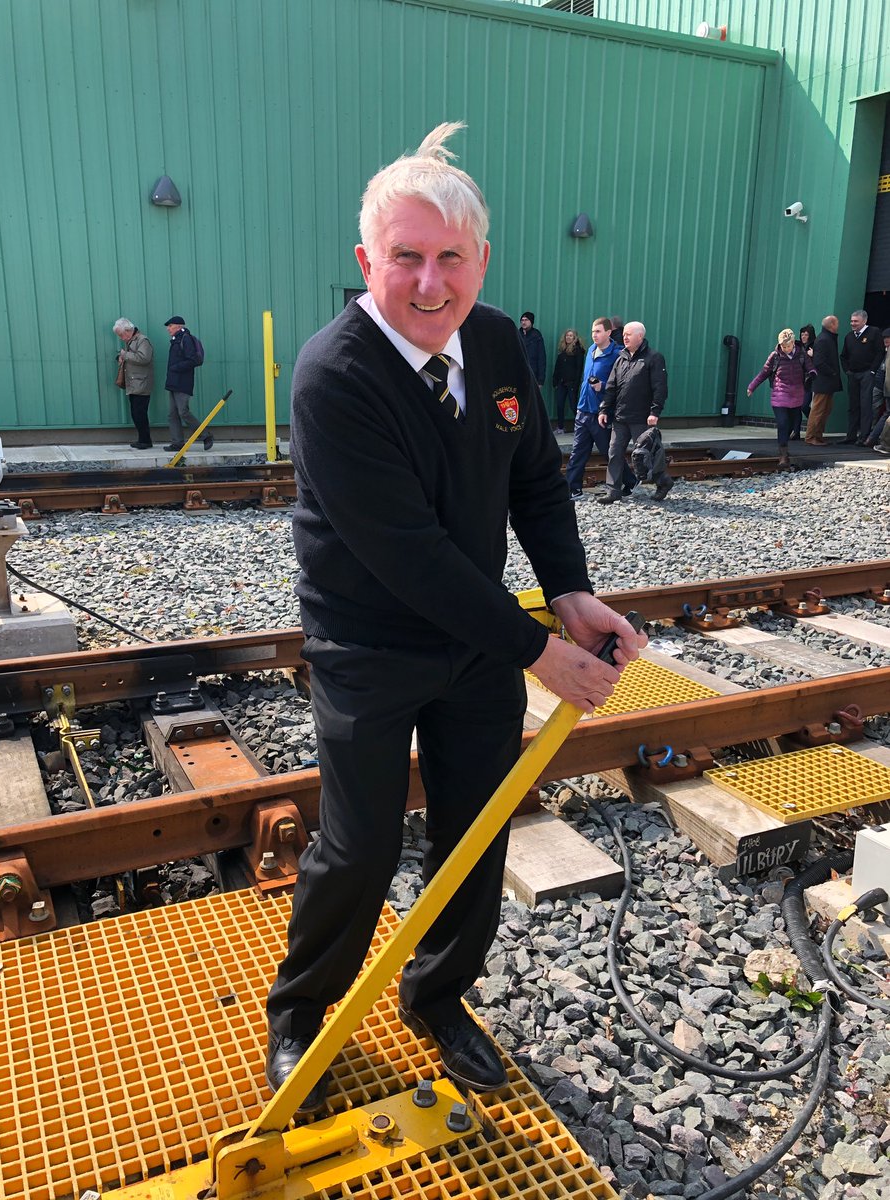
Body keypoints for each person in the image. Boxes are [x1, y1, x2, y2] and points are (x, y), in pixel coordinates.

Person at [265, 122, 645, 1111]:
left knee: (478, 827)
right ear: (366, 261)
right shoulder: (333, 378)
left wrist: (567, 590)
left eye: (450, 259)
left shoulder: (499, 343)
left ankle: (438, 996)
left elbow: (535, 482)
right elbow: (409, 557)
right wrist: (538, 651)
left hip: (473, 642)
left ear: (483, 260)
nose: (429, 284)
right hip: (368, 644)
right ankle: (301, 1015)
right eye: (406, 258)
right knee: (360, 844)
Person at [597, 321, 671, 503]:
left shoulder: (654, 358)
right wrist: (604, 409)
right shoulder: (620, 358)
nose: (625, 337)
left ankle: (663, 482)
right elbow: (612, 387)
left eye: (629, 334)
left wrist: (655, 412)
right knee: (614, 453)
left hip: (642, 418)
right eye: (624, 334)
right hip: (620, 417)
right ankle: (613, 491)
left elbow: (660, 388)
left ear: (640, 336)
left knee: (647, 456)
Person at [565, 317, 635, 500]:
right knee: (577, 452)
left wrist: (602, 386)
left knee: (608, 453)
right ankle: (573, 489)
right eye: (593, 331)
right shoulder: (590, 350)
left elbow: (623, 384)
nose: (594, 335)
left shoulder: (618, 354)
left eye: (598, 331)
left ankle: (630, 481)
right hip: (583, 410)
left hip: (601, 413)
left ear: (608, 333)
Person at [747, 328, 814, 466]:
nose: (786, 349)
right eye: (783, 346)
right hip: (780, 393)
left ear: (793, 344)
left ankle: (784, 447)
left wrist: (812, 374)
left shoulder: (801, 354)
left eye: (788, 346)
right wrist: (752, 386)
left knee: (790, 424)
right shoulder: (775, 356)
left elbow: (810, 367)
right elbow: (764, 372)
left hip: (796, 394)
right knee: (782, 422)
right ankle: (783, 455)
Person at [163, 316, 213, 451]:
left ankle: (205, 435)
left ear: (179, 326)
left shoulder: (186, 339)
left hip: (183, 382)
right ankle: (177, 443)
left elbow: (193, 360)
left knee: (183, 412)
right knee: (172, 414)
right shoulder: (176, 340)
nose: (168, 329)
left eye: (170, 326)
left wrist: (176, 368)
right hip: (174, 382)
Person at [840, 309, 884, 444]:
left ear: (864, 321)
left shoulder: (874, 332)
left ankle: (863, 436)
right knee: (853, 406)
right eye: (851, 321)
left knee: (865, 405)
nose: (852, 323)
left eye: (856, 321)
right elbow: (843, 356)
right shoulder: (849, 336)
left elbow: (880, 351)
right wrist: (847, 371)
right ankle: (851, 435)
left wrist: (872, 371)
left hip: (867, 374)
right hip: (853, 374)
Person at [113, 318, 154, 449]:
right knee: (136, 413)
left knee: (139, 413)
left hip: (141, 383)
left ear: (128, 330)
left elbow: (144, 358)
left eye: (121, 335)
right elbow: (132, 357)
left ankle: (145, 441)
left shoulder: (142, 340)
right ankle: (143, 439)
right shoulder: (132, 340)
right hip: (134, 383)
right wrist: (120, 357)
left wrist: (125, 355)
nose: (121, 338)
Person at [806, 315, 842, 445]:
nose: (838, 325)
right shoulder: (824, 339)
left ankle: (818, 436)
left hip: (827, 382)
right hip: (823, 381)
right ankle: (811, 437)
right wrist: (832, 373)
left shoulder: (827, 338)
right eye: (837, 323)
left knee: (825, 410)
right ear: (832, 325)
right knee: (818, 410)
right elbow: (819, 362)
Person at [550, 328, 584, 434]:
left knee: (574, 405)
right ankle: (560, 427)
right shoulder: (562, 351)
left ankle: (580, 426)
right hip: (561, 382)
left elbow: (579, 368)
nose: (568, 337)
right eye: (567, 336)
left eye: (571, 336)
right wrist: (555, 381)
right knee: (560, 405)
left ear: (575, 338)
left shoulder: (578, 351)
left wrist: (576, 384)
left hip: (572, 383)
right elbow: (557, 367)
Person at [864, 328, 890, 448]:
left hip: (883, 386)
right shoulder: (885, 352)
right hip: (882, 386)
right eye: (884, 338)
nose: (886, 340)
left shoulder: (886, 352)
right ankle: (874, 437)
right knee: (879, 412)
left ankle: (872, 437)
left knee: (882, 413)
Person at [790, 323, 816, 440]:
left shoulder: (814, 346)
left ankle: (814, 424)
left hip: (809, 381)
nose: (804, 337)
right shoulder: (798, 346)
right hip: (798, 380)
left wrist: (813, 355)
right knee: (796, 407)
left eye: (806, 335)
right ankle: (796, 431)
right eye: (802, 334)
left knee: (804, 406)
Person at [519, 312, 546, 389]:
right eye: (522, 320)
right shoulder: (517, 334)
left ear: (531, 322)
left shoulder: (536, 336)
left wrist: (541, 380)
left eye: (526, 320)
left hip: (532, 374)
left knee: (531, 398)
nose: (523, 322)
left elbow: (541, 358)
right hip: (518, 373)